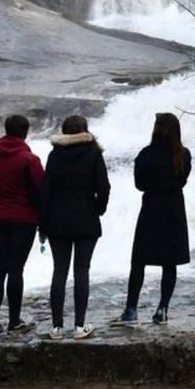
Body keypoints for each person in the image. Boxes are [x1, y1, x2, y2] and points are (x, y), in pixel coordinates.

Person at [115, 112, 191, 325]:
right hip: (174, 210)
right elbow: (183, 181)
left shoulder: (146, 154)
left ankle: (131, 310)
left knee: (139, 261)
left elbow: (139, 184)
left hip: (151, 208)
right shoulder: (183, 155)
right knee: (170, 262)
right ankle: (162, 309)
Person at [40, 114, 110, 340]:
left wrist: (42, 223)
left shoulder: (54, 155)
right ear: (85, 130)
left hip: (57, 221)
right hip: (86, 219)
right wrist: (98, 209)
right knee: (82, 271)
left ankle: (57, 328)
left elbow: (46, 191)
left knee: (59, 272)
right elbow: (104, 187)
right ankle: (80, 327)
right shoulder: (93, 154)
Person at [0, 114, 44, 336]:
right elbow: (40, 192)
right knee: (16, 269)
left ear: (6, 130)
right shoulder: (30, 160)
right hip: (24, 219)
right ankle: (14, 320)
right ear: (26, 132)